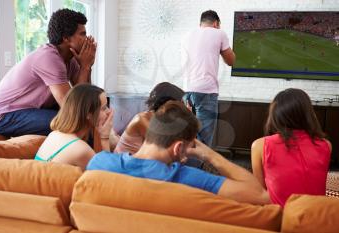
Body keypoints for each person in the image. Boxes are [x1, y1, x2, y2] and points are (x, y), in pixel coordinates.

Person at [88, 101, 270, 205]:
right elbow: (260, 194)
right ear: (178, 148)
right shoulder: (187, 178)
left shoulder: (99, 163)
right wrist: (209, 154)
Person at [0, 9, 97, 137]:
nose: (87, 39)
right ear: (66, 38)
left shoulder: (70, 60)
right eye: (83, 34)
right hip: (5, 116)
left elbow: (83, 97)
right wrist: (84, 67)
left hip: (32, 109)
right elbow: (72, 109)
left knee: (90, 116)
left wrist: (87, 66)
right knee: (77, 123)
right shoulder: (49, 57)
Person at [251, 88, 331, 207]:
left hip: (279, 221)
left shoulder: (259, 146)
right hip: (317, 218)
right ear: (308, 114)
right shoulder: (326, 145)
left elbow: (259, 193)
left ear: (276, 114)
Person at [182, 10, 235, 149]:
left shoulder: (188, 34)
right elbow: (231, 61)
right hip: (206, 91)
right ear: (216, 23)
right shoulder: (219, 33)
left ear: (201, 23)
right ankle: (198, 169)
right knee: (204, 138)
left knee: (188, 134)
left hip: (187, 90)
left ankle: (186, 167)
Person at [35, 84, 113, 171]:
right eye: (104, 108)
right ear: (88, 114)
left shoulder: (54, 134)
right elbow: (107, 176)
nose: (109, 111)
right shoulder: (81, 150)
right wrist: (105, 137)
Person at [113, 82, 185, 155]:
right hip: (124, 163)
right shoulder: (141, 119)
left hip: (139, 161)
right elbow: (165, 145)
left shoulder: (161, 120)